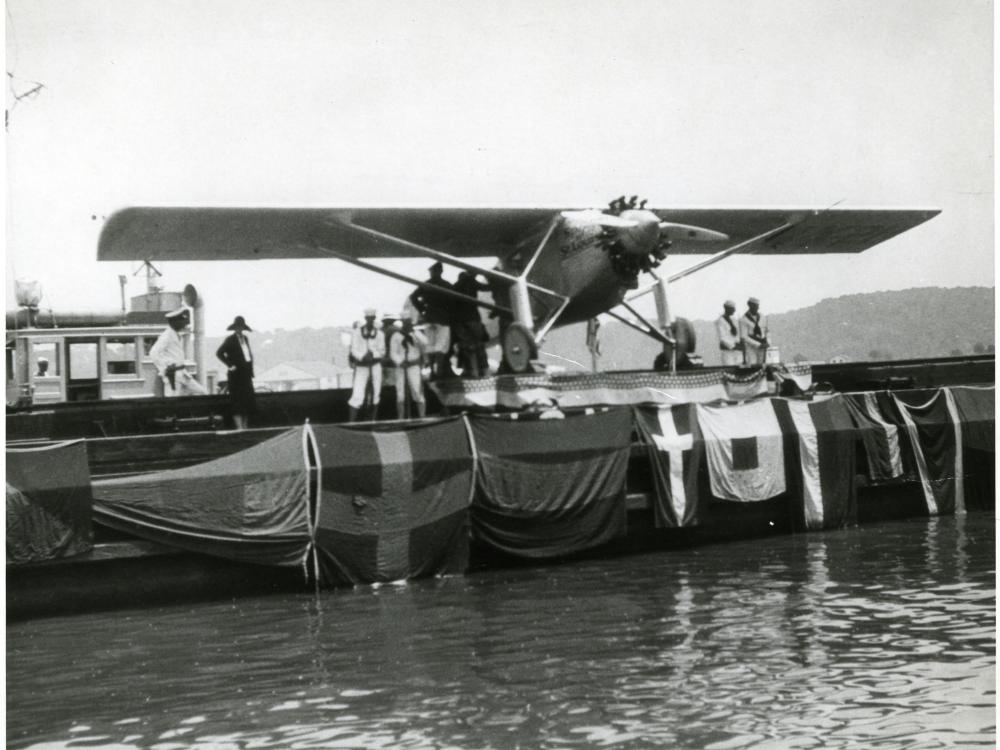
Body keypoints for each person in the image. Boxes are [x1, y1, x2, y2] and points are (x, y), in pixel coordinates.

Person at [408, 262, 455, 379]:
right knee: (441, 346)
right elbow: (454, 301)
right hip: (443, 318)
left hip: (429, 317)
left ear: (431, 271)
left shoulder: (426, 284)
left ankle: (432, 373)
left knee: (430, 346)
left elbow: (413, 297)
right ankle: (439, 372)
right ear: (441, 271)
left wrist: (422, 309)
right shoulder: (447, 285)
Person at [149, 307, 207, 396]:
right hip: (173, 376)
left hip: (182, 374)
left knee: (203, 392)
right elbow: (153, 353)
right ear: (174, 322)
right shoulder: (167, 335)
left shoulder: (175, 334)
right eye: (182, 321)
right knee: (172, 403)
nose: (184, 324)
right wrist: (166, 367)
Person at [215, 315, 255, 430]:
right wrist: (230, 365)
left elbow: (248, 355)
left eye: (241, 327)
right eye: (237, 327)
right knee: (237, 401)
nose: (239, 329)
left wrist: (250, 370)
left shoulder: (246, 338)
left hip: (246, 374)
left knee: (247, 401)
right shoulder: (230, 340)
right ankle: (239, 427)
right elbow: (219, 353)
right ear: (235, 328)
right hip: (236, 375)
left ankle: (245, 426)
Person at [348, 308, 386, 421]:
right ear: (365, 318)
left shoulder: (380, 334)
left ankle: (373, 420)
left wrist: (373, 355)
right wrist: (363, 356)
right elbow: (353, 349)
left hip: (375, 365)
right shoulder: (356, 333)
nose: (370, 320)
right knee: (357, 394)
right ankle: (352, 422)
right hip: (362, 366)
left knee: (376, 393)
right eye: (368, 318)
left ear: (374, 319)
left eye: (372, 318)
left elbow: (383, 351)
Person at [451, 270, 491, 377]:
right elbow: (485, 287)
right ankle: (485, 372)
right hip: (474, 318)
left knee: (468, 349)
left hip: (462, 321)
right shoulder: (472, 282)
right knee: (480, 347)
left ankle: (473, 372)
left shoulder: (456, 285)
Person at [388, 314, 428, 419]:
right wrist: (400, 362)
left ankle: (422, 416)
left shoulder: (416, 334)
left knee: (417, 391)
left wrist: (414, 332)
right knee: (400, 394)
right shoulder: (396, 336)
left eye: (409, 321)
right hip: (401, 367)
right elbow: (393, 353)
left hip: (414, 366)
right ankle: (400, 418)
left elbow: (425, 344)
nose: (407, 323)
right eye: (405, 322)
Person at [739, 296, 768, 366]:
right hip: (751, 348)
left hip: (762, 347)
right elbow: (744, 336)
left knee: (762, 366)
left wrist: (767, 342)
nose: (757, 308)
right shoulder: (743, 319)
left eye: (757, 306)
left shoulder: (762, 317)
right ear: (749, 305)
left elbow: (766, 331)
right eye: (755, 306)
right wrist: (758, 344)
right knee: (752, 365)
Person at [716, 300, 743, 367]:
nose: (734, 310)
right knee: (729, 369)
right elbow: (722, 338)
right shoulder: (720, 321)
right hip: (727, 352)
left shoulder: (733, 320)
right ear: (726, 309)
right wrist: (734, 346)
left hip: (737, 352)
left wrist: (739, 343)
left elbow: (736, 335)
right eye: (732, 308)